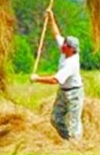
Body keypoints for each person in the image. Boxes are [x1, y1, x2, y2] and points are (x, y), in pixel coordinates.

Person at [30, 8, 84, 140]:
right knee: (56, 119)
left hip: (74, 93)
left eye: (65, 45)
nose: (62, 45)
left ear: (71, 49)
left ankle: (76, 145)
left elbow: (55, 80)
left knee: (73, 123)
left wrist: (37, 79)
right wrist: (51, 17)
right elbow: (56, 34)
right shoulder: (65, 50)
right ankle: (68, 140)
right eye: (64, 43)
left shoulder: (71, 63)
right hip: (63, 92)